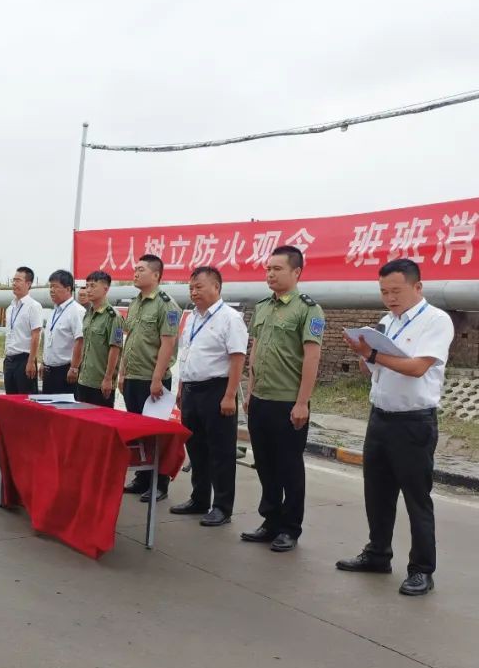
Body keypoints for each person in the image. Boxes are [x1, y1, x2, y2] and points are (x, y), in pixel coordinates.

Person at [336, 259, 454, 597]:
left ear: (418, 287)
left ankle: (421, 570)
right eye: (384, 291)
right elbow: (374, 370)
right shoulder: (387, 322)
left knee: (417, 498)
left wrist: (372, 353)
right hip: (380, 417)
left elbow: (418, 367)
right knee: (377, 492)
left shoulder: (436, 321)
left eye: (396, 291)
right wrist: (364, 355)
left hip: (414, 422)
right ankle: (377, 554)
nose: (390, 298)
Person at [240, 245, 324, 552]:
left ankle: (291, 527)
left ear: (296, 272)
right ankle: (270, 520)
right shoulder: (262, 306)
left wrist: (302, 402)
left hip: (288, 402)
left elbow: (312, 359)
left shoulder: (307, 309)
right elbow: (255, 352)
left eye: (277, 269)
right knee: (264, 464)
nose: (270, 274)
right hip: (260, 399)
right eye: (267, 269)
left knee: (289, 466)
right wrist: (249, 392)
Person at [171, 266, 248, 527]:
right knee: (196, 448)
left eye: (199, 287)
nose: (194, 292)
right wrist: (181, 388)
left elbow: (237, 358)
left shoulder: (230, 318)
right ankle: (199, 498)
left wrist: (229, 396)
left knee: (221, 452)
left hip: (217, 390)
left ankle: (222, 507)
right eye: (191, 288)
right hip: (191, 390)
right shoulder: (192, 317)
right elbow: (186, 353)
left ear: (216, 287)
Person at [119, 254, 180, 502]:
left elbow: (167, 345)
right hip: (133, 377)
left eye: (141, 269)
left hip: (152, 380)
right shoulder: (134, 303)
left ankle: (159, 484)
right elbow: (129, 340)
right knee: (137, 434)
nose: (135, 273)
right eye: (135, 269)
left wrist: (157, 379)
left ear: (156, 275)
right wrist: (122, 373)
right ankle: (141, 479)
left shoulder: (167, 305)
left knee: (156, 435)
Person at [70, 270, 122, 407]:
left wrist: (108, 378)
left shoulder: (113, 317)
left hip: (100, 383)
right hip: (84, 380)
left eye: (93, 286)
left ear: (105, 289)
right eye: (87, 286)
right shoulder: (88, 314)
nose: (88, 290)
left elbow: (115, 349)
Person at [41, 269, 86, 394]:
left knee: (63, 409)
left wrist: (74, 368)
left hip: (65, 371)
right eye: (50, 287)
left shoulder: (76, 311)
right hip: (49, 370)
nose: (51, 290)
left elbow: (80, 340)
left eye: (55, 287)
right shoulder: (54, 311)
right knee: (48, 410)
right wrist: (43, 362)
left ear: (68, 289)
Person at [3, 266, 43, 394]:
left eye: (18, 280)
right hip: (9, 361)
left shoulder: (33, 306)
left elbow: (36, 335)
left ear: (28, 284)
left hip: (24, 360)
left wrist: (31, 361)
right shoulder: (11, 308)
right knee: (11, 400)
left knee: (27, 401)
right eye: (13, 280)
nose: (14, 283)